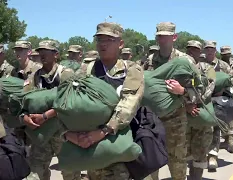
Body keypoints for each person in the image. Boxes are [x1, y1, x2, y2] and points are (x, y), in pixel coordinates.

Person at [74, 22, 144, 180]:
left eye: (109, 40)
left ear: (120, 44)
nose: (103, 44)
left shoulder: (132, 69)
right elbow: (72, 100)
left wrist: (105, 130)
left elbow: (129, 103)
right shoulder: (87, 69)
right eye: (99, 40)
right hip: (91, 142)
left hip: (122, 139)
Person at [144, 22, 196, 180]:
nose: (161, 40)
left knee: (177, 158)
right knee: (151, 156)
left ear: (174, 37)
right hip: (152, 118)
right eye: (159, 36)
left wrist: (182, 91)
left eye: (165, 37)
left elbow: (198, 89)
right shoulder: (151, 60)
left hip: (176, 118)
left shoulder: (185, 60)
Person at [22, 40, 78, 180]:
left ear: (56, 55)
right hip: (42, 133)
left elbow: (72, 102)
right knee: (35, 172)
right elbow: (24, 100)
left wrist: (46, 115)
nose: (42, 55)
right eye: (40, 52)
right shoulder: (35, 76)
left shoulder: (66, 74)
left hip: (64, 132)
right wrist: (24, 116)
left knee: (70, 172)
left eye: (46, 52)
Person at [186, 40, 215, 177]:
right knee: (184, 149)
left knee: (201, 148)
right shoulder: (181, 66)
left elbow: (211, 86)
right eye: (189, 49)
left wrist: (196, 101)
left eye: (195, 50)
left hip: (201, 111)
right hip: (184, 113)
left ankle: (196, 177)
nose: (192, 52)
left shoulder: (207, 68)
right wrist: (186, 103)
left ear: (200, 52)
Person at [204, 40, 233, 153]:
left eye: (211, 49)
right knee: (208, 127)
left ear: (215, 51)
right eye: (207, 49)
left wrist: (224, 88)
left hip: (220, 97)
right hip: (204, 99)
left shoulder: (222, 65)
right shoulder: (199, 65)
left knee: (220, 123)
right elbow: (193, 79)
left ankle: (215, 152)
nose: (209, 51)